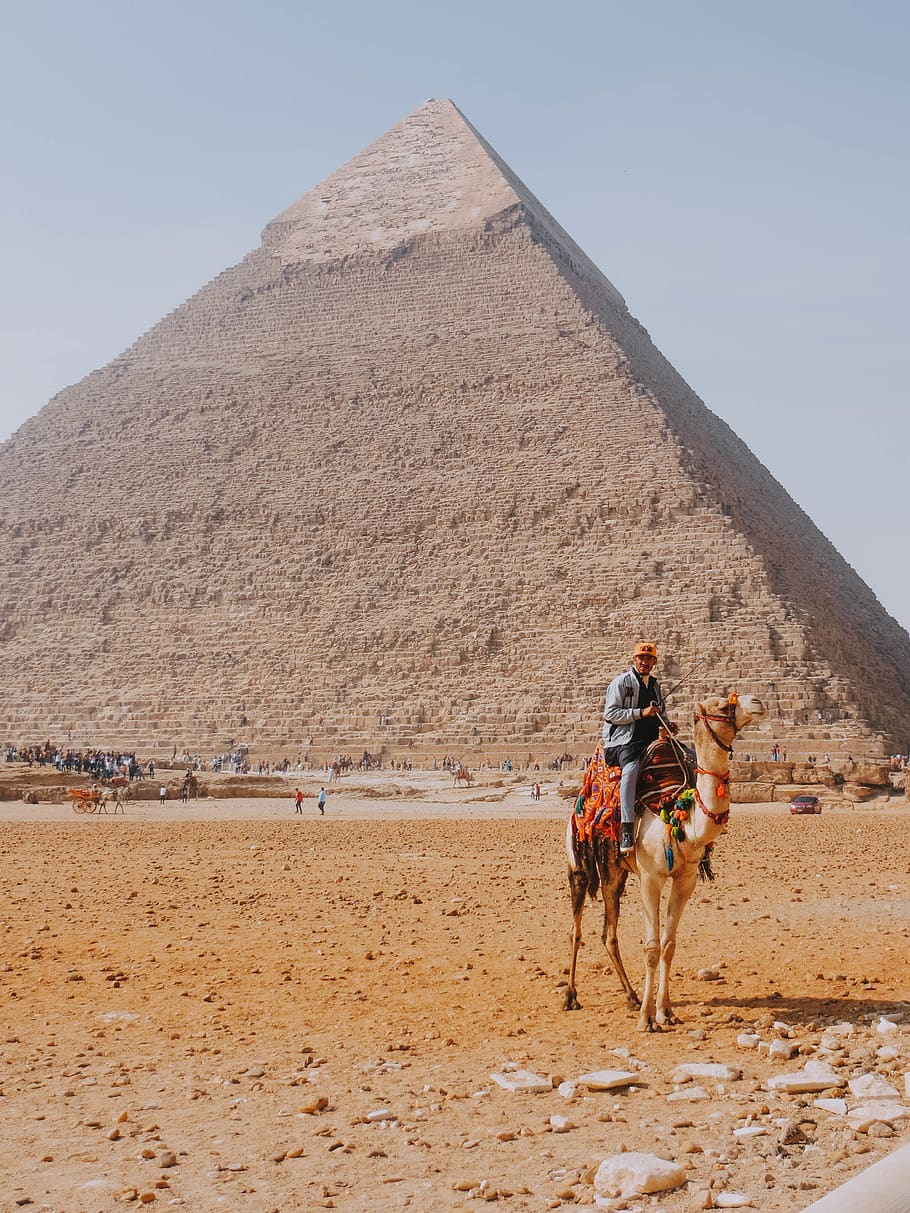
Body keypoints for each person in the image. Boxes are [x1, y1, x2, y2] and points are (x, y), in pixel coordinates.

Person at [602, 641, 665, 853]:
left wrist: (667, 723)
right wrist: (640, 713)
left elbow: (659, 713)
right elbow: (610, 714)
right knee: (630, 773)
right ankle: (627, 830)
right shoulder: (621, 683)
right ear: (634, 659)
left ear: (654, 662)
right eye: (641, 658)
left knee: (687, 759)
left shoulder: (655, 686)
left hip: (650, 739)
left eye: (649, 658)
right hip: (624, 741)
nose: (644, 661)